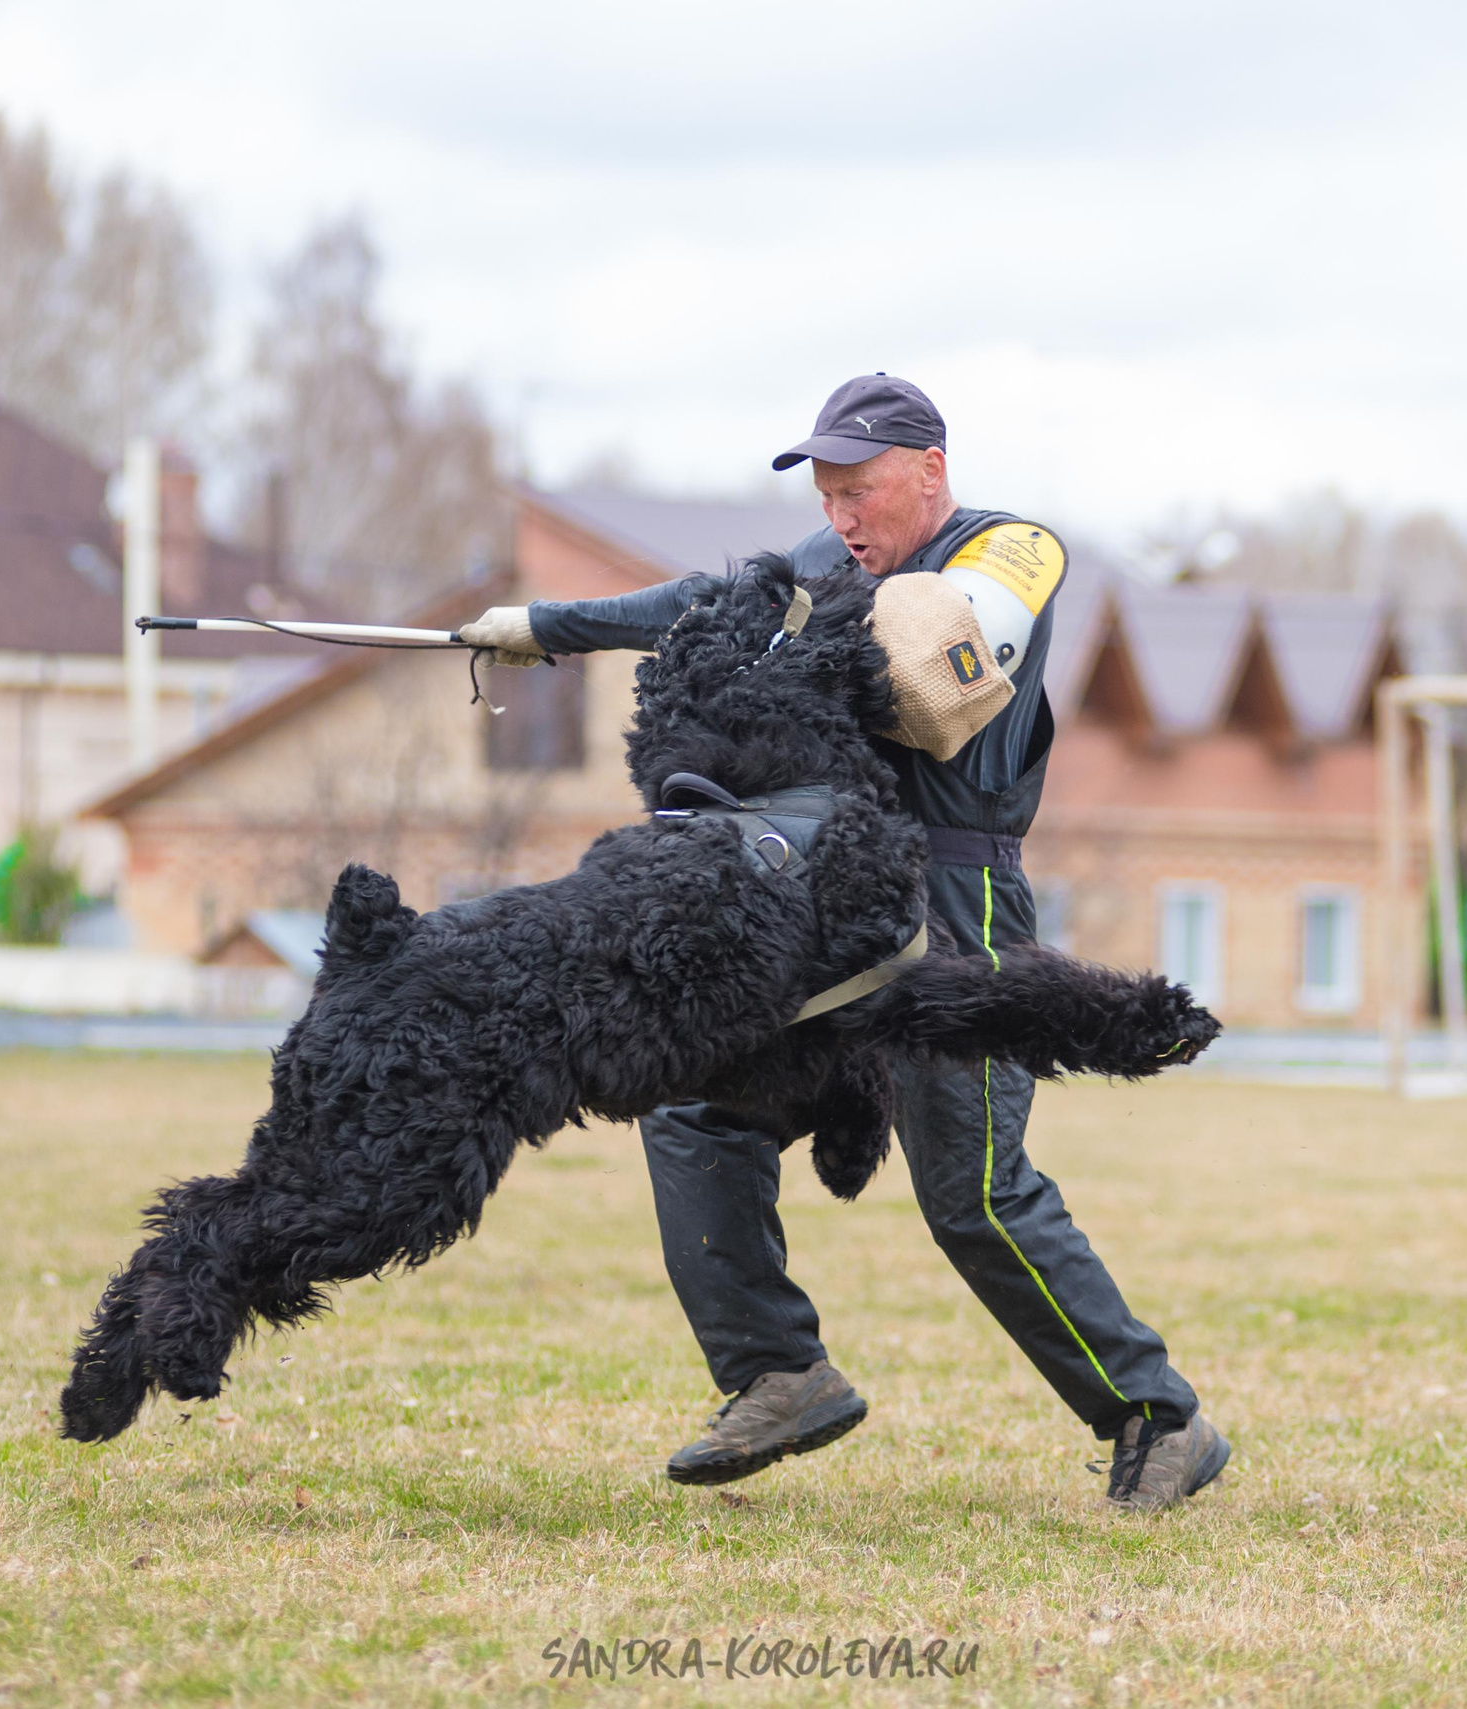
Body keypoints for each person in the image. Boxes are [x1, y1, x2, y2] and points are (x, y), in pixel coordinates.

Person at [458, 375, 1228, 1513]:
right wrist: (545, 628)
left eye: (858, 491)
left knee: (971, 1189)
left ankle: (1157, 1420)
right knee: (697, 1109)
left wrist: (802, 615)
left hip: (953, 895)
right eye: (825, 498)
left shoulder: (1012, 551)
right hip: (819, 891)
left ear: (929, 468)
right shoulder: (831, 567)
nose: (841, 519)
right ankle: (776, 1369)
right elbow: (702, 602)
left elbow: (942, 655)